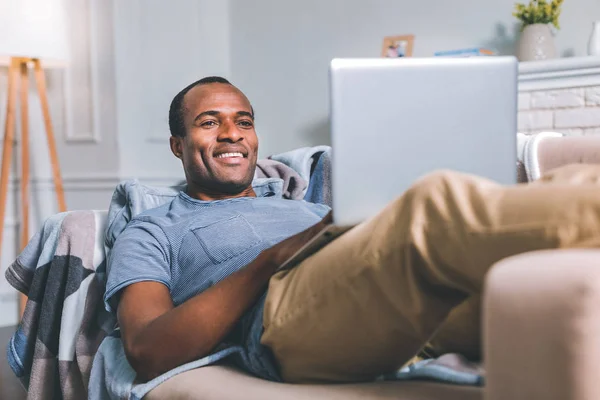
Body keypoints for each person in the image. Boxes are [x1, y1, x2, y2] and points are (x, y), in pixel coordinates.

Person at [106, 76, 600, 385]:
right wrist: (272, 260)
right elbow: (147, 350)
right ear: (177, 144)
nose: (232, 133)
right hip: (278, 319)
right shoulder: (152, 228)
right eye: (209, 122)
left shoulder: (297, 201)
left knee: (543, 276)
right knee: (435, 203)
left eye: (244, 121)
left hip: (377, 292)